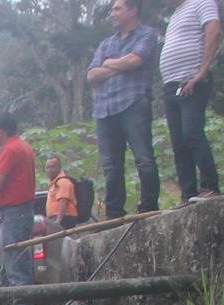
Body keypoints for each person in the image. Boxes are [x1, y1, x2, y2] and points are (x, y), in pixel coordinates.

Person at [88, 0, 162, 218]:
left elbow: (135, 60)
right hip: (105, 109)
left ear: (133, 11)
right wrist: (119, 65)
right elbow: (91, 75)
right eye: (112, 9)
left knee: (144, 158)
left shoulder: (147, 34)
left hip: (134, 103)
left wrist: (108, 64)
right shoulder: (106, 43)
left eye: (117, 8)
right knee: (111, 166)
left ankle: (148, 206)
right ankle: (114, 213)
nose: (112, 13)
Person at [160, 0, 223, 204]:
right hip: (171, 84)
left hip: (192, 80)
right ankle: (187, 193)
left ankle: (210, 186)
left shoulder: (202, 2)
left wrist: (201, 73)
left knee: (192, 132)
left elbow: (213, 32)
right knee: (178, 142)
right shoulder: (176, 13)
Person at [0, 112, 38, 305]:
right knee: (12, 264)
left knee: (16, 264)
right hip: (21, 210)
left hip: (15, 210)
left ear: (1, 131)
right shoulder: (23, 147)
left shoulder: (10, 150)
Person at [46, 157, 81, 229]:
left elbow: (63, 201)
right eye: (48, 167)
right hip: (56, 218)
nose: (50, 170)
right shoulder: (55, 183)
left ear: (59, 168)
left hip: (64, 218)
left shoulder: (62, 181)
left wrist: (58, 221)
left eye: (53, 167)